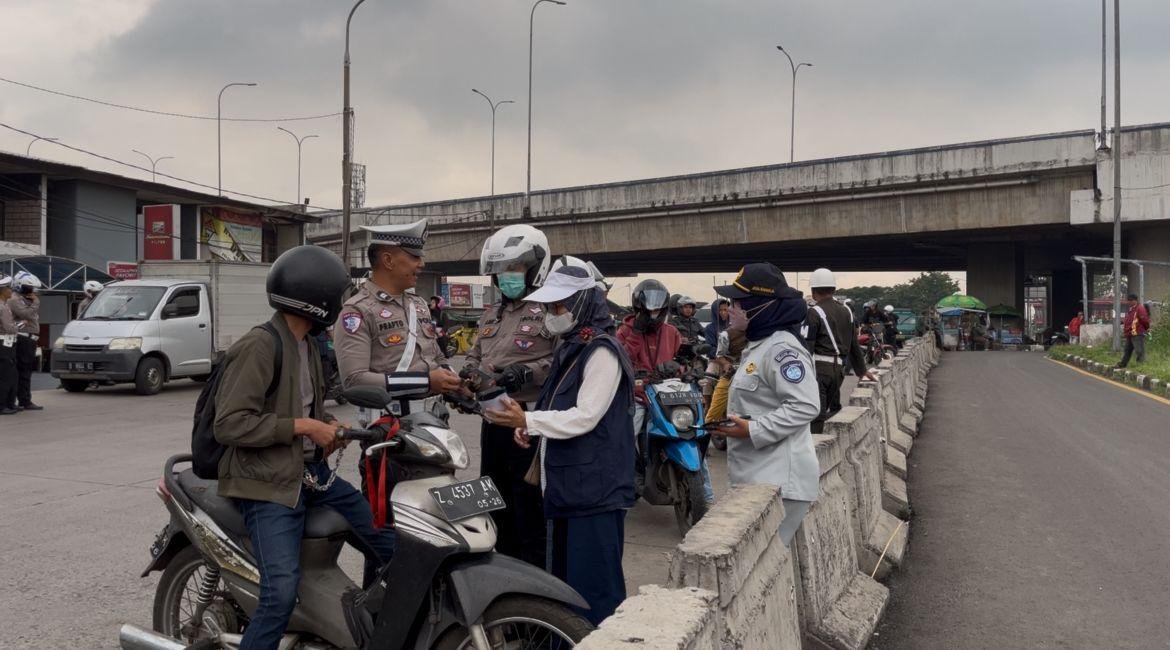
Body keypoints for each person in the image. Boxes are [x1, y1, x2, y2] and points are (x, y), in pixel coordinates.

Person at [214, 245, 397, 650]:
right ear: (317, 299)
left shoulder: (309, 345)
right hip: (268, 484)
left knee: (392, 547)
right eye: (337, 295)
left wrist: (329, 425)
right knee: (280, 594)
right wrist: (306, 427)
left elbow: (303, 409)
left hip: (312, 476)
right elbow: (230, 423)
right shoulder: (259, 346)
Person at [484, 264, 635, 626]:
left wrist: (529, 421)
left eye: (559, 306)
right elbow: (557, 405)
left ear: (582, 304)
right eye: (550, 306)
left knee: (595, 591)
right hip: (571, 489)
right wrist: (533, 428)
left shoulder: (602, 351)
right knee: (566, 587)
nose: (552, 314)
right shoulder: (574, 347)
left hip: (595, 492)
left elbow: (586, 416)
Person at [333, 218, 465, 584]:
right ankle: (379, 613)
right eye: (414, 256)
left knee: (436, 532)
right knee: (389, 542)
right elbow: (354, 380)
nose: (421, 264)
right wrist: (426, 381)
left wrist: (455, 381)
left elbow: (434, 358)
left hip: (429, 436)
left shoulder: (419, 305)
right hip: (387, 441)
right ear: (388, 260)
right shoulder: (357, 311)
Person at [460, 224, 555, 568]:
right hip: (493, 422)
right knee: (494, 503)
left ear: (535, 268)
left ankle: (536, 582)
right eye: (501, 270)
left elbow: (564, 361)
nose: (506, 276)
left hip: (528, 423)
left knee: (530, 510)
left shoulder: (552, 310)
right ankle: (503, 574)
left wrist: (527, 372)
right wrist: (468, 376)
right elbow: (474, 355)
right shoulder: (492, 313)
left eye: (514, 268)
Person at [712, 263, 821, 546]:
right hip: (761, 477)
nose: (730, 309)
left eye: (737, 303)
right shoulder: (759, 345)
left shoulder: (782, 349)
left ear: (759, 306)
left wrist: (753, 429)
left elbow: (805, 405)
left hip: (781, 481)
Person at [804, 268, 875, 434]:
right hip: (839, 371)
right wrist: (861, 370)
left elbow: (807, 347)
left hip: (819, 370)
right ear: (834, 289)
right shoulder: (847, 311)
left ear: (813, 291)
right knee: (829, 410)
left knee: (816, 415)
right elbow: (853, 344)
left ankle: (815, 446)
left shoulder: (814, 312)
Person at [617, 279, 683, 439]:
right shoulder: (625, 331)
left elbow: (680, 360)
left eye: (657, 310)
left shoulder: (672, 332)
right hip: (637, 396)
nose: (653, 314)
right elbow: (622, 359)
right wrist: (636, 333)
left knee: (689, 429)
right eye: (649, 310)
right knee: (626, 438)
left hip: (666, 395)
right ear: (639, 308)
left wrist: (681, 369)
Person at [8, 271, 43, 411]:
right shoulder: (15, 299)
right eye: (29, 288)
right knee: (23, 371)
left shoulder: (24, 299)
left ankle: (23, 399)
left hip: (29, 338)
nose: (32, 291)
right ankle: (24, 400)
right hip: (23, 338)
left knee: (26, 370)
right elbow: (25, 314)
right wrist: (36, 302)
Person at [0, 275, 19, 415]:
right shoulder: (2, 306)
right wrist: (18, 326)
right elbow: (9, 328)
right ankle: (2, 405)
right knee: (6, 376)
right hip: (4, 343)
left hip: (6, 342)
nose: (11, 291)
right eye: (9, 288)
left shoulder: (5, 304)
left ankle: (8, 403)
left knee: (10, 375)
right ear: (3, 290)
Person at [1117, 294, 1150, 368]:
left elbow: (1145, 320)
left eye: (1131, 300)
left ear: (1135, 300)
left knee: (1139, 351)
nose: (1129, 302)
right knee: (1127, 350)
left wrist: (1146, 328)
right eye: (1128, 300)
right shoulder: (1131, 309)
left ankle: (1141, 366)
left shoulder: (1140, 308)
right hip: (1130, 333)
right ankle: (1122, 364)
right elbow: (1129, 320)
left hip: (1137, 333)